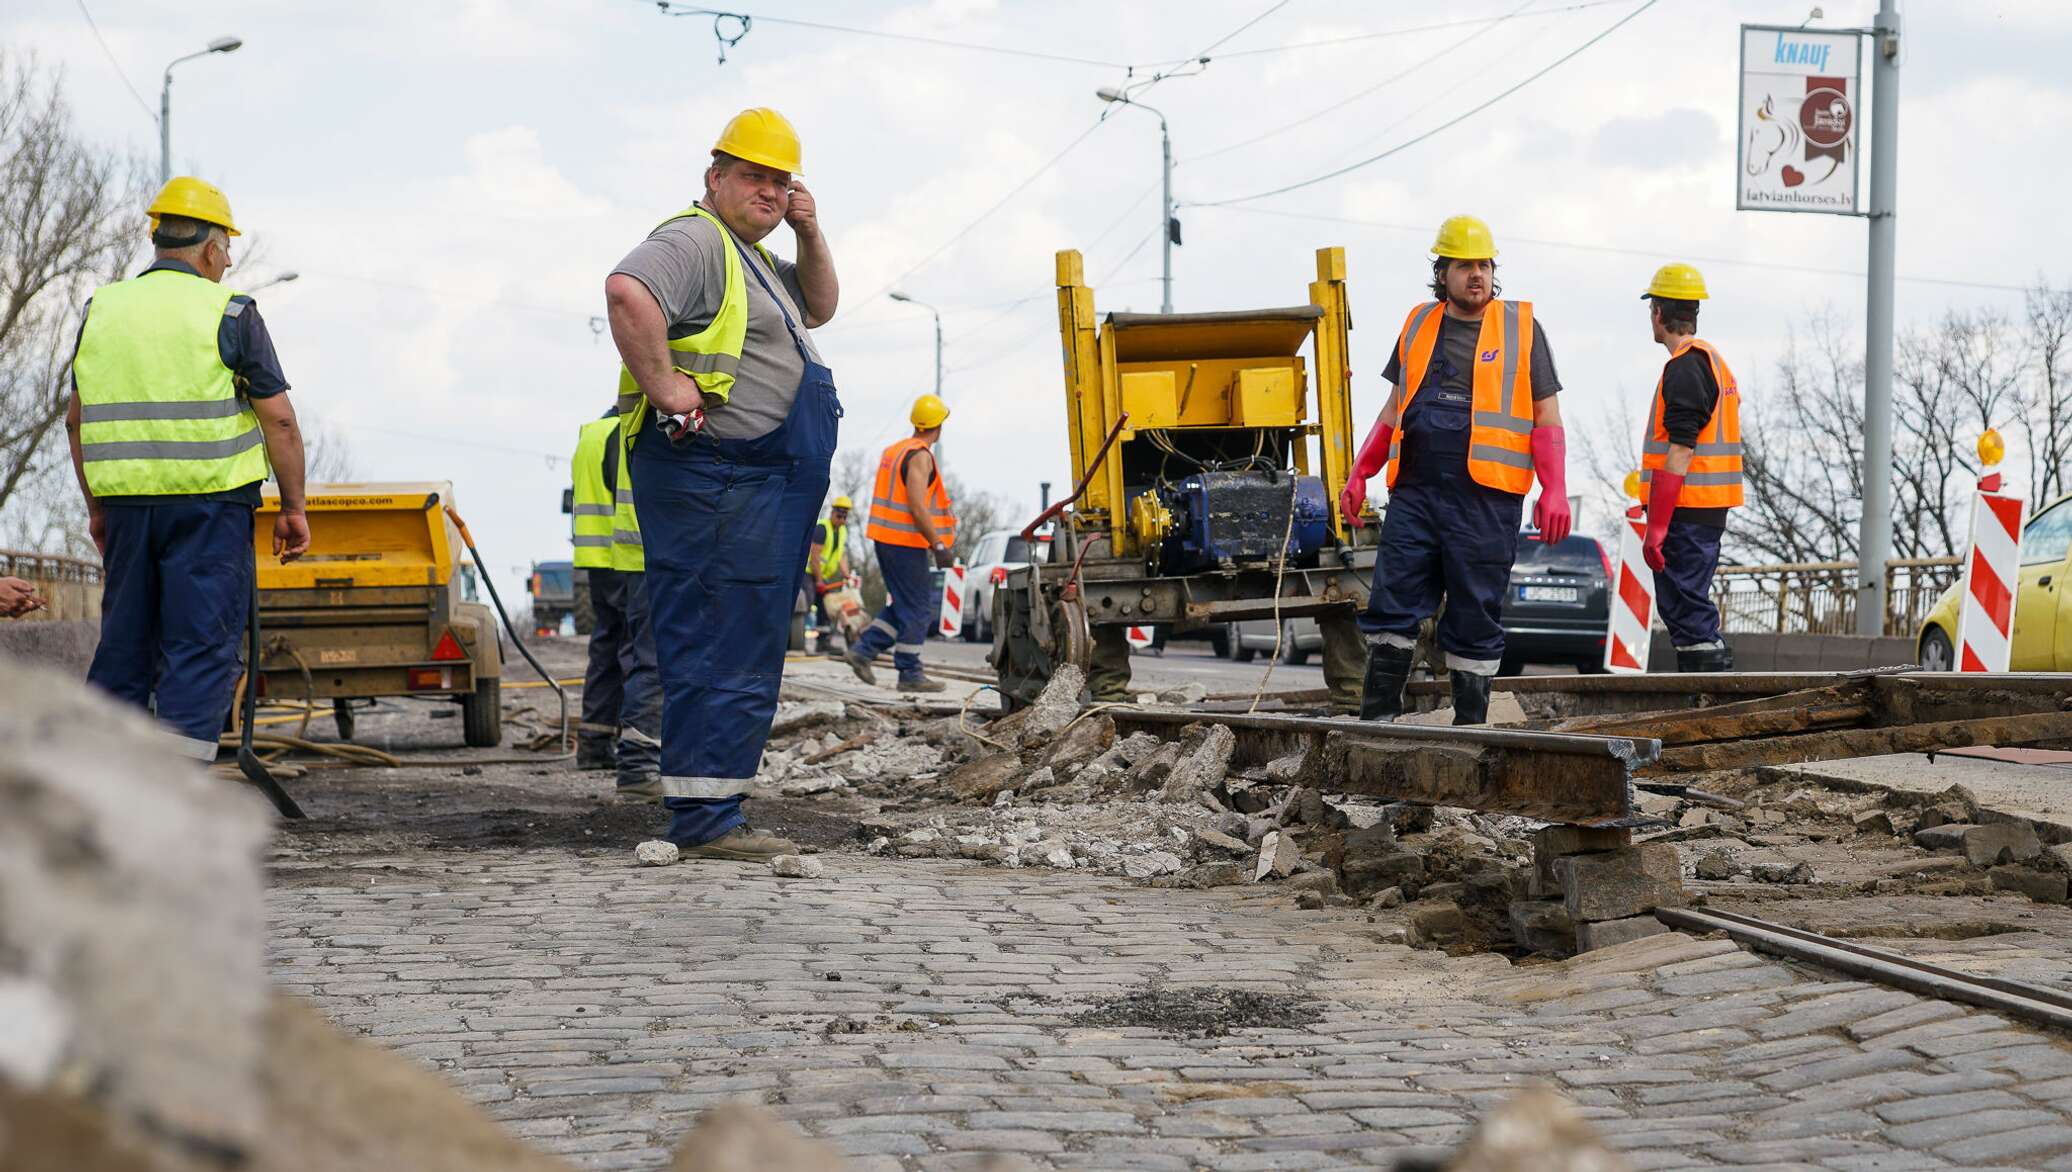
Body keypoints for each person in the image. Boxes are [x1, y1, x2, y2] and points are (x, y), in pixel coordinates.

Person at [604, 107, 839, 861]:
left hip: (749, 484)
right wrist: (668, 386)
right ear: (715, 177)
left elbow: (823, 306)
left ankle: (714, 809)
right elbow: (628, 291)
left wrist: (808, 228)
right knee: (718, 644)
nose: (768, 191)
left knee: (740, 645)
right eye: (752, 176)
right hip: (717, 482)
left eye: (780, 181)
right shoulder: (698, 239)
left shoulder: (753, 260)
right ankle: (705, 822)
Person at [65, 176, 309, 760]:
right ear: (210, 248)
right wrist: (294, 508)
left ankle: (97, 785)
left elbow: (77, 421)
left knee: (125, 644)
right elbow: (278, 422)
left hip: (125, 509)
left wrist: (97, 510)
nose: (227, 262)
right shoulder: (231, 311)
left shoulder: (103, 309)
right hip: (209, 509)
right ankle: (172, 800)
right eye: (227, 249)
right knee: (198, 647)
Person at [1340, 215, 1570, 726]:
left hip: (1485, 500)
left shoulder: (1522, 327)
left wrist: (1554, 490)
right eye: (1465, 265)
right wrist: (1360, 473)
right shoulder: (1419, 324)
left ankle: (1471, 734)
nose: (1477, 275)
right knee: (1391, 603)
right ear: (1441, 271)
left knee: (1474, 613)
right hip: (1417, 493)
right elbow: (1392, 409)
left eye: (1485, 265)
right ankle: (1376, 726)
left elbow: (1547, 416)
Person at [1637, 263, 1741, 672]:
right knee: (1688, 601)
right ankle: (1707, 684)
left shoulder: (1684, 367)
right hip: (1705, 505)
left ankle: (1706, 692)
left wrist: (1658, 524)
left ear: (1658, 314)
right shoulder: (1713, 362)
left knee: (1685, 607)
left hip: (1686, 507)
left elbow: (1681, 448)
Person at [569, 408, 663, 797]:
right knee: (638, 651)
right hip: (629, 554)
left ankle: (593, 742)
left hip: (595, 557)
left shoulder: (589, 433)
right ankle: (638, 754)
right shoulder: (631, 429)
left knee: (606, 645)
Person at [847, 395, 956, 694]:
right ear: (939, 426)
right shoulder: (920, 456)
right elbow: (918, 506)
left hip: (886, 540)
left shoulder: (894, 451)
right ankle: (909, 672)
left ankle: (863, 651)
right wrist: (938, 544)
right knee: (920, 608)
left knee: (905, 606)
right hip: (905, 542)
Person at [805, 495, 854, 657]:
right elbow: (815, 556)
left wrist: (847, 575)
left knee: (826, 607)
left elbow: (841, 556)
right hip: (809, 573)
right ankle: (792, 638)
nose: (841, 520)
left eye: (844, 517)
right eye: (839, 516)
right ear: (833, 513)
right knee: (806, 602)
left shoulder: (842, 532)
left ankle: (823, 642)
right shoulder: (822, 529)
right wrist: (819, 581)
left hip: (821, 576)